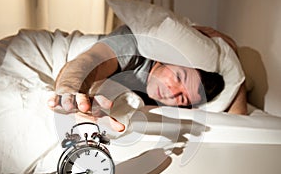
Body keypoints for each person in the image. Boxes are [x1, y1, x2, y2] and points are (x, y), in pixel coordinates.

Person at [47, 25, 247, 131]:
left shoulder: (157, 103)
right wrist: (69, 89)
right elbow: (92, 61)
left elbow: (239, 123)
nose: (173, 92)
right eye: (178, 77)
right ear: (167, 59)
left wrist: (234, 62)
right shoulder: (134, 46)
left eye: (183, 99)